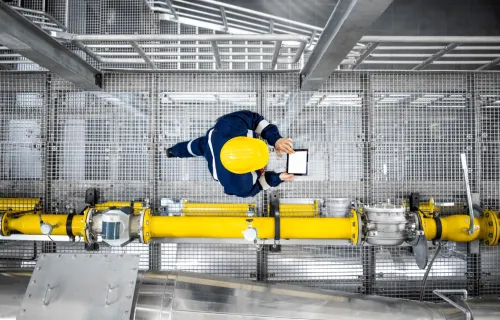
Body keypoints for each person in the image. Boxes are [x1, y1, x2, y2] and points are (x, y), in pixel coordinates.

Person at [166, 110, 295, 198]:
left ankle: (172, 151)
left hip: (213, 141)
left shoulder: (230, 125)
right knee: (196, 147)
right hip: (218, 164)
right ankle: (172, 152)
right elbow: (259, 185)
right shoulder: (239, 185)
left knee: (194, 147)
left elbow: (255, 119)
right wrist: (278, 178)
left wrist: (276, 139)